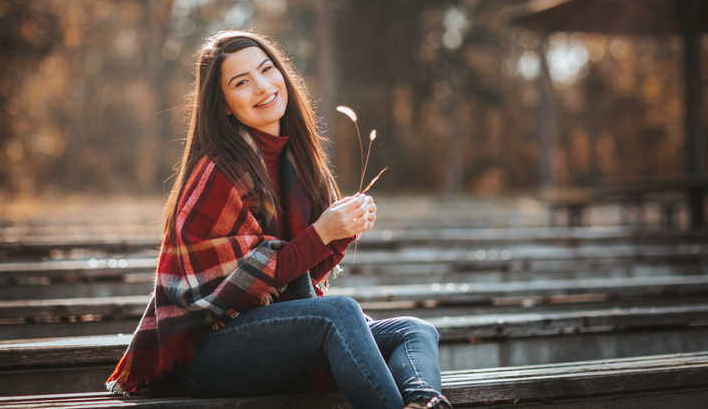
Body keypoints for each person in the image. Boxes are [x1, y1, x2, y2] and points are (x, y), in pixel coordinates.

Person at [106, 31, 453, 409]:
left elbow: (298, 269)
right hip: (207, 353)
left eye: (266, 70)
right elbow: (229, 288)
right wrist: (322, 233)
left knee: (415, 330)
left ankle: (424, 403)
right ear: (223, 104)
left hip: (273, 332)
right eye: (241, 82)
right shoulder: (216, 173)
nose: (262, 86)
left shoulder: (298, 160)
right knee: (339, 312)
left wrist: (341, 229)